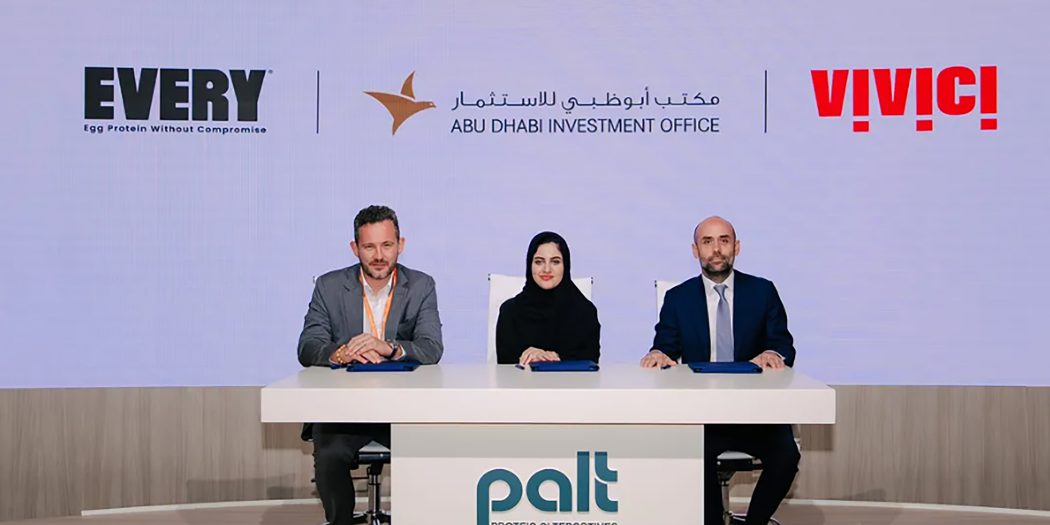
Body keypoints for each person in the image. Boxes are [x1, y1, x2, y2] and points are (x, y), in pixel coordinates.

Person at [640, 216, 799, 525]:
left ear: (736, 247)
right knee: (691, 455)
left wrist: (772, 352)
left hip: (755, 413)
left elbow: (783, 345)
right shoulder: (678, 298)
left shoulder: (763, 291)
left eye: (724, 241)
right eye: (707, 242)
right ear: (695, 250)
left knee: (786, 456)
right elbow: (665, 347)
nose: (716, 249)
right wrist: (658, 353)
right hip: (703, 415)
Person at [297, 205, 443, 525]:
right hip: (345, 411)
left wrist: (389, 347)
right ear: (355, 248)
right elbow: (308, 347)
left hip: (403, 411)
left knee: (432, 451)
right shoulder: (329, 286)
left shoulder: (421, 285)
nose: (379, 256)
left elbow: (432, 348)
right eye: (369, 247)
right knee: (330, 455)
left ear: (400, 244)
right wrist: (341, 353)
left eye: (387, 245)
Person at [496, 231, 600, 365]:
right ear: (530, 265)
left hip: (570, 380)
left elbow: (590, 363)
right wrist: (530, 357)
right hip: (523, 379)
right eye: (539, 262)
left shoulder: (585, 312)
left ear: (565, 266)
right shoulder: (510, 312)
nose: (546, 269)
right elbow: (505, 366)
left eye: (555, 262)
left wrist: (554, 358)